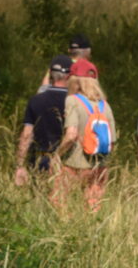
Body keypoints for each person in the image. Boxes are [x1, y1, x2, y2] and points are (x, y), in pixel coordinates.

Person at [58, 72, 116, 210]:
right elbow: (112, 141)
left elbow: (71, 135)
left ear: (75, 81)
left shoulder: (72, 100)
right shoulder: (105, 105)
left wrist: (58, 155)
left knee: (60, 201)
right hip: (99, 166)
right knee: (93, 207)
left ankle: (65, 230)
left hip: (75, 165)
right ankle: (93, 232)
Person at [15, 55, 72, 187]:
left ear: (51, 74)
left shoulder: (36, 100)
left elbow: (26, 134)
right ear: (69, 76)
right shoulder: (73, 102)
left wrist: (19, 165)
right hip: (65, 162)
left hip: (37, 160)